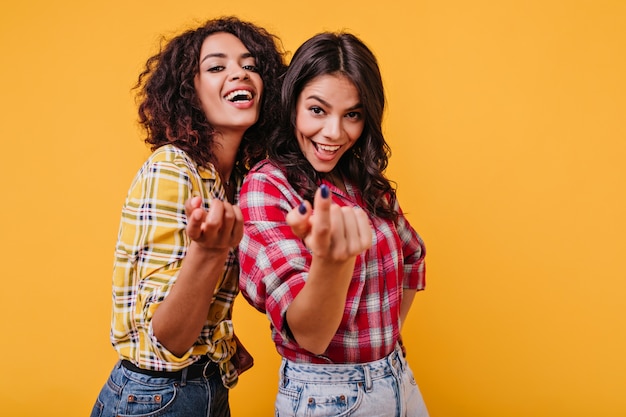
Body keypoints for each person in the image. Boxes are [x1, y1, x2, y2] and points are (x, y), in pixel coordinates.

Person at [90, 16, 286, 417]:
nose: (239, 74)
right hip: (156, 399)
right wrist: (210, 254)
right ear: (189, 94)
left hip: (202, 389)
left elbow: (188, 313)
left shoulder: (235, 181)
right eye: (217, 67)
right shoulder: (173, 169)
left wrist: (221, 341)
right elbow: (169, 339)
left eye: (250, 66)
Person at [238, 31, 429, 417]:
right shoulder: (267, 187)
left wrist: (380, 344)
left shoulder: (360, 180)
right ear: (291, 105)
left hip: (396, 378)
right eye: (318, 110)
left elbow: (414, 255)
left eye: (352, 115)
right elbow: (309, 334)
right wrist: (332, 261)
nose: (334, 133)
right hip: (328, 397)